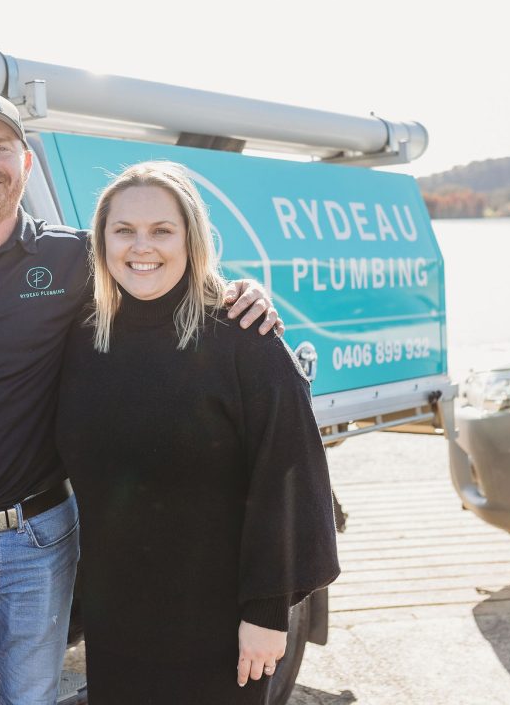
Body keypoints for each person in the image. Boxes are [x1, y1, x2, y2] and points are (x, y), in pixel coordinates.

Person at [0, 91, 280, 705]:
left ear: (25, 164)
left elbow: (159, 272)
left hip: (40, 539)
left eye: (2, 148)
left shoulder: (76, 257)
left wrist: (240, 291)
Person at [54, 161, 341, 704]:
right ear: (101, 240)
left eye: (162, 230)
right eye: (124, 230)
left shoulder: (243, 337)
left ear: (192, 239)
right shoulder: (82, 335)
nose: (143, 246)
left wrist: (267, 613)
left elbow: (289, 474)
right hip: (118, 618)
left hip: (221, 623)